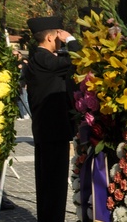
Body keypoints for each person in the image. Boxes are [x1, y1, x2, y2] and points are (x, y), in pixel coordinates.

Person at [24, 16, 81, 222]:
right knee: (53, 187)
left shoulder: (38, 58)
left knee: (48, 187)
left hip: (46, 131)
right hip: (52, 132)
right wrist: (71, 39)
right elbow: (80, 57)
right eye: (58, 35)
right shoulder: (44, 59)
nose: (60, 39)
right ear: (49, 37)